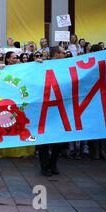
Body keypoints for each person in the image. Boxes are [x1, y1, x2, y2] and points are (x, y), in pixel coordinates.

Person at [37, 46, 66, 176]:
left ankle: (53, 164)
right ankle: (44, 166)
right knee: (44, 138)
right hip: (45, 106)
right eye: (62, 53)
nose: (64, 55)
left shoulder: (66, 66)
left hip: (59, 106)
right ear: (56, 54)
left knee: (58, 138)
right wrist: (36, 65)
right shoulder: (43, 65)